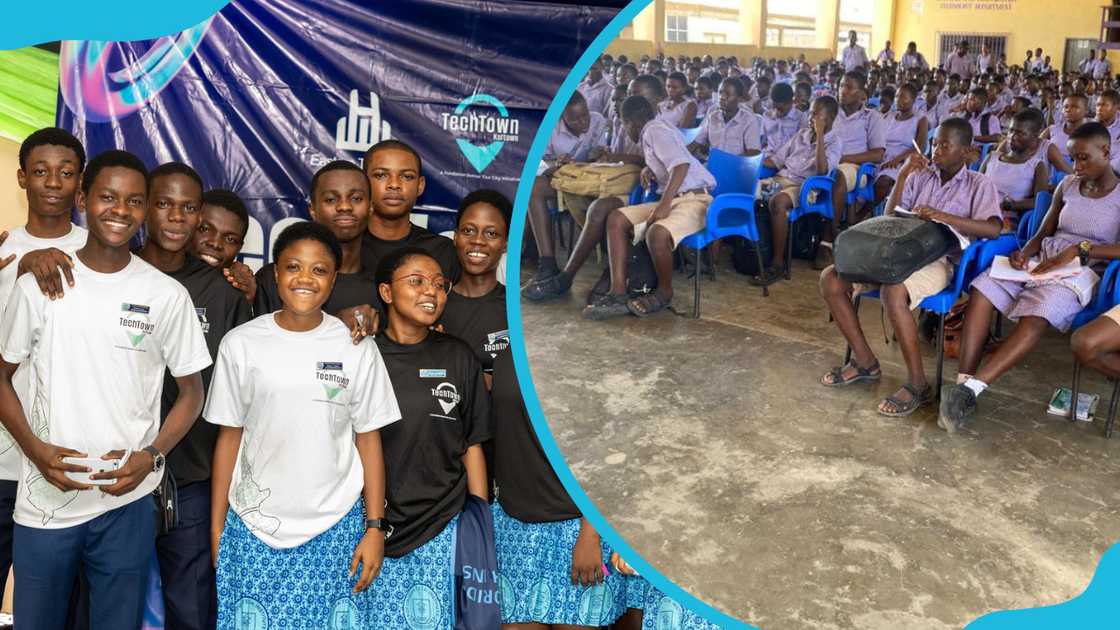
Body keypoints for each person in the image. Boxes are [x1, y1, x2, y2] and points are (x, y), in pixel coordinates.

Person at [0, 150, 211, 629]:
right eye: (108, 197)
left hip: (126, 500)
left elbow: (192, 393)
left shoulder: (165, 295)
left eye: (135, 201)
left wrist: (153, 455)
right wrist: (35, 452)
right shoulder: (41, 286)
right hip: (45, 500)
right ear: (83, 199)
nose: (120, 210)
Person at [205, 221, 399, 627]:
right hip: (254, 526)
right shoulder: (241, 343)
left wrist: (374, 528)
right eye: (293, 267)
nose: (305, 279)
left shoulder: (355, 346)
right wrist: (218, 526)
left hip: (336, 527)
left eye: (319, 270)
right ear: (275, 274)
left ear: (333, 279)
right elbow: (229, 438)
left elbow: (369, 440)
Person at [941, 122, 1120, 431]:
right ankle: (964, 379)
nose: (1075, 167)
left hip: (1084, 269)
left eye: (1083, 158)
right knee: (983, 288)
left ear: (1106, 151)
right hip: (1044, 259)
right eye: (1072, 159)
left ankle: (972, 391)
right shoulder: (1067, 186)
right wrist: (1025, 252)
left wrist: (1081, 249)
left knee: (1038, 312)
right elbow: (1044, 230)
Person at [818, 118, 1003, 416]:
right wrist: (903, 174)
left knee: (894, 290)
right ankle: (865, 360)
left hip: (939, 261)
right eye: (934, 143)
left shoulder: (978, 184)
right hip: (896, 253)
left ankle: (919, 384)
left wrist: (944, 217)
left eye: (945, 144)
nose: (936, 150)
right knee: (831, 279)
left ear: (967, 153)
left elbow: (993, 229)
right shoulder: (921, 176)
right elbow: (890, 216)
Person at [137, 162, 253, 630]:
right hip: (112, 472)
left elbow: (244, 380)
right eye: (167, 205)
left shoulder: (224, 290)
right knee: (104, 597)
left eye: (187, 208)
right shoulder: (115, 271)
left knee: (190, 603)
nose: (178, 218)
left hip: (192, 475)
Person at [366, 248, 493, 628]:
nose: (431, 293)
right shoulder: (362, 356)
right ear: (387, 293)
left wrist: (479, 524)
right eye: (417, 282)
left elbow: (472, 444)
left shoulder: (458, 356)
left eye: (440, 285)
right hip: (373, 527)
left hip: (444, 523)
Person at [523, 95, 715, 320]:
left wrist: (663, 205)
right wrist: (650, 168)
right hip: (674, 197)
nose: (625, 130)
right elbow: (668, 160)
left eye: (625, 125)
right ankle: (618, 293)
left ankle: (665, 291)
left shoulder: (654, 130)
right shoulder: (653, 131)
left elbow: (681, 165)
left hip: (693, 199)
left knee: (657, 232)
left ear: (632, 122)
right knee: (616, 218)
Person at [0, 127, 87, 616]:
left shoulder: (105, 251)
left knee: (62, 603)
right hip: (2, 458)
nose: (52, 182)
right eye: (40, 171)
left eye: (66, 172)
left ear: (81, 184)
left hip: (64, 458)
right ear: (21, 178)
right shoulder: (3, 247)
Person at [490, 349, 627, 628]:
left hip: (574, 528)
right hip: (514, 529)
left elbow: (607, 446)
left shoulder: (581, 358)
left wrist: (590, 536)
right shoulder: (503, 360)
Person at [254, 160, 381, 339]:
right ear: (313, 209)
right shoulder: (274, 278)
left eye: (356, 199)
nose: (344, 206)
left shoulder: (384, 286)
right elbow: (258, 344)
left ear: (371, 207)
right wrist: (334, 325)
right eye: (331, 199)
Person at [751, 96, 843, 285]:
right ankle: (750, 255)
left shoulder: (834, 142)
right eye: (810, 112)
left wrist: (819, 136)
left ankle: (777, 264)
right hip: (781, 178)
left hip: (804, 187)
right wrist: (751, 163)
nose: (811, 117)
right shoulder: (800, 135)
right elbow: (776, 161)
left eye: (817, 114)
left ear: (830, 118)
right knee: (748, 192)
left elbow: (822, 171)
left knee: (778, 203)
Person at [524, 92, 609, 288]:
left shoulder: (598, 121)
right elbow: (534, 163)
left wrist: (600, 154)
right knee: (533, 188)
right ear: (562, 116)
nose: (583, 122)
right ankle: (547, 263)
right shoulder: (549, 129)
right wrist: (555, 163)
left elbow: (602, 150)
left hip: (591, 180)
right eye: (575, 119)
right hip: (562, 179)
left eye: (585, 115)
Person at [439, 189, 512, 383]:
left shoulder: (517, 310)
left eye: (491, 233)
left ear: (505, 243)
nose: (478, 240)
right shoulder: (434, 307)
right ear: (455, 237)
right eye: (468, 231)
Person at [359, 140, 459, 280]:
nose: (394, 185)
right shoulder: (346, 247)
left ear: (420, 186)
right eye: (381, 175)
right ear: (363, 182)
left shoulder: (441, 250)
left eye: (407, 176)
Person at [820, 71, 887, 268]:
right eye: (841, 86)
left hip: (855, 168)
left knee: (838, 176)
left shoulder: (871, 117)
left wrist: (843, 158)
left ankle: (827, 239)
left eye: (849, 87)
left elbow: (878, 154)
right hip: (828, 160)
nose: (843, 91)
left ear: (862, 94)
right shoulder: (832, 114)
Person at [980, 108, 1052, 227]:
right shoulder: (992, 158)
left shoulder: (1036, 165)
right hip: (979, 210)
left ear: (1034, 137)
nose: (1012, 136)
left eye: (1020, 133)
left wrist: (1008, 205)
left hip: (1005, 218)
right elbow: (976, 186)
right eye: (1011, 131)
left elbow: (1039, 202)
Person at [190, 188, 257, 303]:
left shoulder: (233, 297)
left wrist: (248, 302)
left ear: (239, 248)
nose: (216, 244)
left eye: (230, 239)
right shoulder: (156, 278)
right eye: (205, 229)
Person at [873, 83, 929, 206]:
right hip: (883, 157)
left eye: (904, 97)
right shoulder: (890, 116)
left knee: (883, 182)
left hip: (903, 161)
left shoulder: (920, 119)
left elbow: (920, 147)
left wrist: (897, 159)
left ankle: (862, 215)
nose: (898, 100)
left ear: (913, 100)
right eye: (897, 96)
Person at [688, 77, 762, 161]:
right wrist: (682, 155)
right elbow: (697, 141)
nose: (722, 97)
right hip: (712, 164)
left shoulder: (748, 120)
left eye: (727, 94)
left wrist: (729, 162)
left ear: (739, 98)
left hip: (735, 166)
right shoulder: (713, 115)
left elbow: (754, 152)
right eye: (720, 93)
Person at [761, 82, 807, 153]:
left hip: (789, 159)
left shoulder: (800, 118)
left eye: (781, 109)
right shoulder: (767, 115)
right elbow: (762, 141)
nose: (778, 111)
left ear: (791, 102)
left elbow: (801, 146)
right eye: (775, 107)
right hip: (768, 156)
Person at [1042, 93, 1090, 158]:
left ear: (1086, 110)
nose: (1068, 110)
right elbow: (1035, 148)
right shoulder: (1053, 129)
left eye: (1074, 107)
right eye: (1066, 107)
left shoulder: (1092, 133)